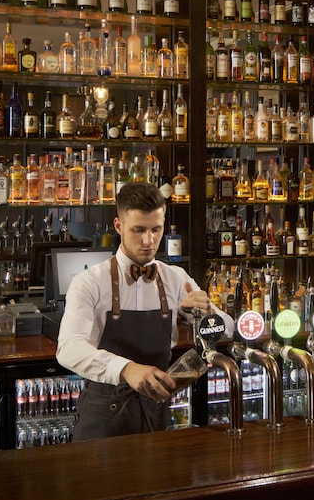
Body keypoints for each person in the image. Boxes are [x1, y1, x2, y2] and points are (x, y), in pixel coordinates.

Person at [56, 182, 233, 440]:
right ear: (119, 226)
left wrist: (205, 316)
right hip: (103, 418)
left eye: (156, 229)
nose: (149, 240)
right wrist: (126, 369)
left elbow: (228, 328)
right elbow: (69, 348)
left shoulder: (175, 278)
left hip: (156, 414)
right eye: (138, 230)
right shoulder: (89, 282)